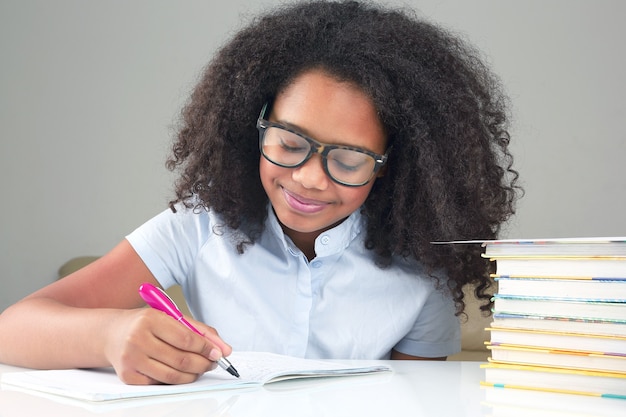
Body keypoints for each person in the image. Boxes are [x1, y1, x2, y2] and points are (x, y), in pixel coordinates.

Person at [0, 0, 521, 385]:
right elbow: (13, 329)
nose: (310, 178)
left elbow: (420, 399)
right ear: (257, 127)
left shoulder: (423, 267)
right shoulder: (199, 226)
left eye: (347, 159)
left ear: (390, 167)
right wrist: (109, 336)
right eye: (290, 143)